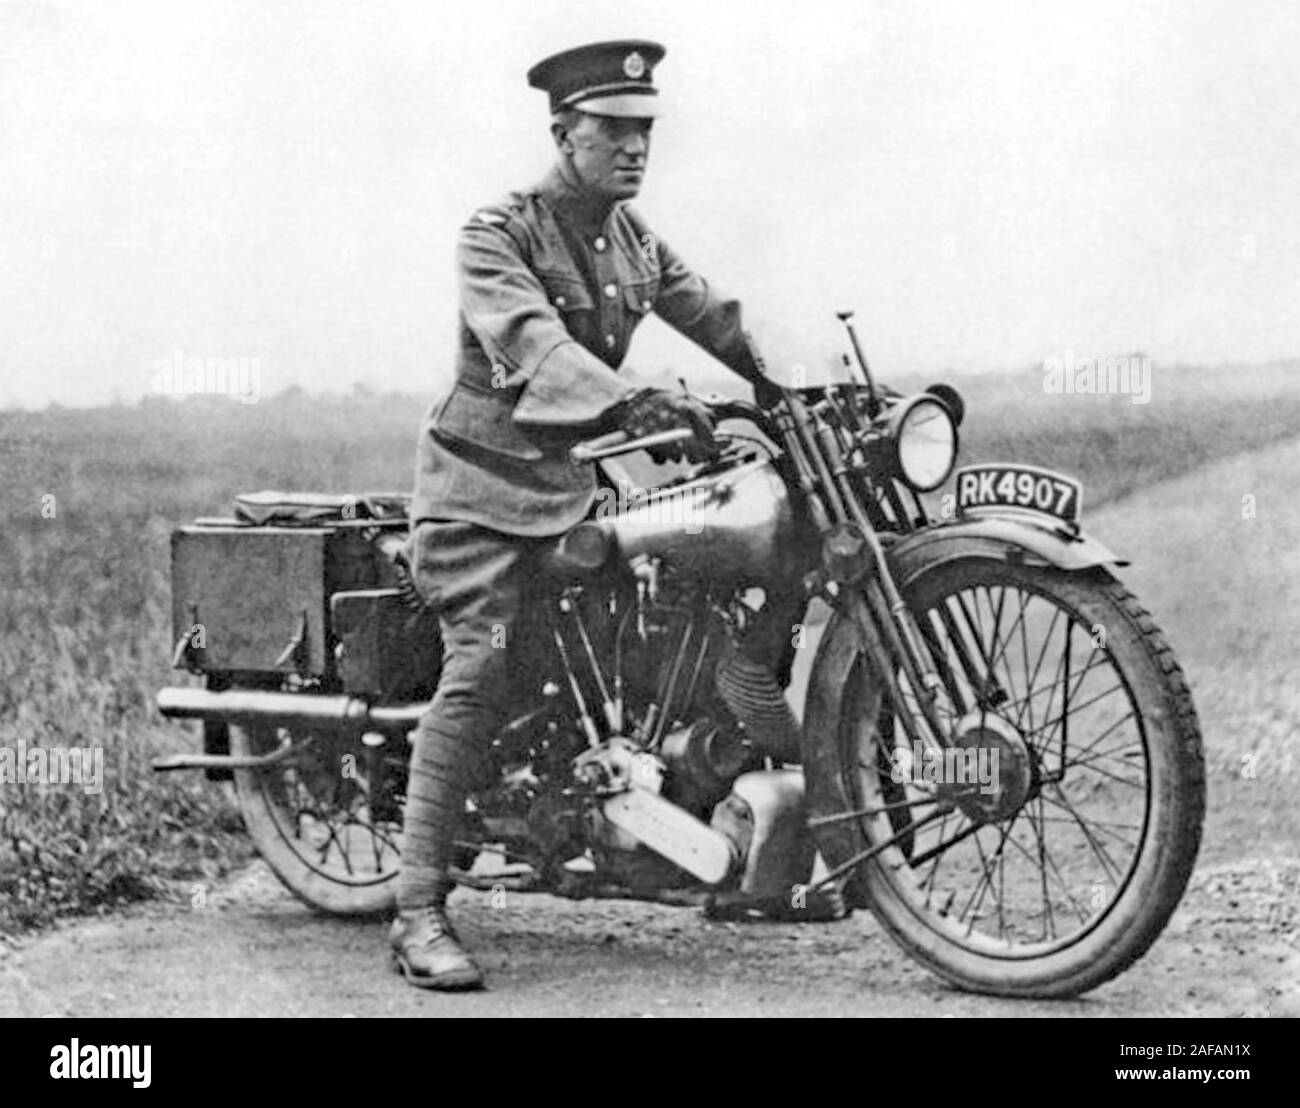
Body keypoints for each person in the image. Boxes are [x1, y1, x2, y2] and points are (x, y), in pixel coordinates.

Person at [393, 39, 791, 991]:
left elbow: (716, 313)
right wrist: (631, 401)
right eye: (612, 128)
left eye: (644, 128)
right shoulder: (498, 233)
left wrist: (791, 387)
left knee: (689, 601)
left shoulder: (630, 237)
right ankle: (415, 912)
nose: (633, 146)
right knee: (481, 666)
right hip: (482, 498)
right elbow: (533, 346)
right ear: (562, 132)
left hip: (576, 488)